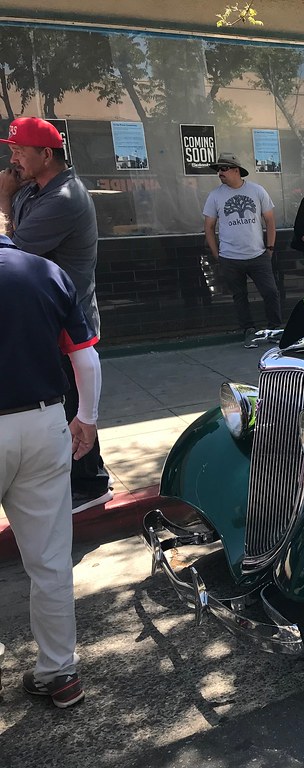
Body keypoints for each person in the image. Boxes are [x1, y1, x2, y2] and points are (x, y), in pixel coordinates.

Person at [0, 214, 101, 708]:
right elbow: (84, 356)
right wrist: (87, 416)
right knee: (50, 563)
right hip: (43, 424)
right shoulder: (45, 272)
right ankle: (60, 673)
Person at [0, 116, 111, 515]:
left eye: (19, 151)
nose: (12, 158)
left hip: (70, 317)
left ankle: (91, 482)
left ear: (46, 154)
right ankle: (80, 475)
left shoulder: (64, 198)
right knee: (66, 398)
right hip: (47, 314)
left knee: (73, 400)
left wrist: (3, 198)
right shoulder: (33, 188)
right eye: (11, 149)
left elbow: (12, 252)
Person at [202, 152, 281, 348]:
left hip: (258, 254)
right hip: (230, 258)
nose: (220, 172)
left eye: (224, 168)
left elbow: (270, 220)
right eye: (218, 169)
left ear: (236, 171)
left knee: (271, 292)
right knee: (240, 297)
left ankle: (275, 329)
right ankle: (249, 331)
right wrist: (216, 253)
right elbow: (209, 227)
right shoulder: (215, 196)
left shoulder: (257, 191)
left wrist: (270, 247)